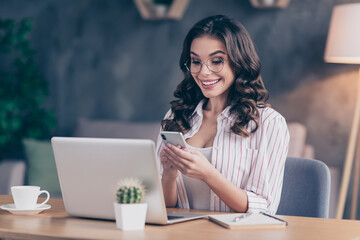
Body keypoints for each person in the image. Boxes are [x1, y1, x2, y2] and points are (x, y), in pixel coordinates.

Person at [156, 15, 289, 214]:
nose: (204, 72)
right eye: (196, 61)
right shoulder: (176, 117)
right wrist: (168, 175)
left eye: (216, 61)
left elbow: (264, 208)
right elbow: (164, 209)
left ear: (239, 62)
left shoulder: (269, 123)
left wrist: (208, 174)